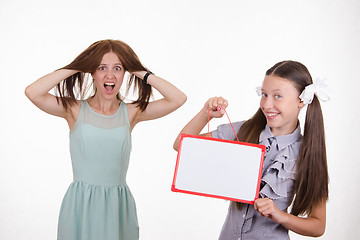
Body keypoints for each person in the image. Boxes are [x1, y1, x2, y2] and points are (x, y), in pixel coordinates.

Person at [25, 39, 187, 240]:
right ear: (92, 73)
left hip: (118, 207)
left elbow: (178, 98)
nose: (110, 75)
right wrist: (78, 65)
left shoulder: (131, 112)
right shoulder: (75, 110)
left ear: (124, 73)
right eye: (102, 68)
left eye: (117, 68)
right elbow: (32, 92)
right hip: (80, 206)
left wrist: (138, 70)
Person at [173, 60, 329, 239]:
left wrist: (280, 215)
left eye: (277, 96)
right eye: (264, 94)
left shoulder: (307, 154)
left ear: (301, 100)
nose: (267, 104)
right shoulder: (243, 131)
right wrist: (205, 114)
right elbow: (181, 146)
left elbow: (318, 226)